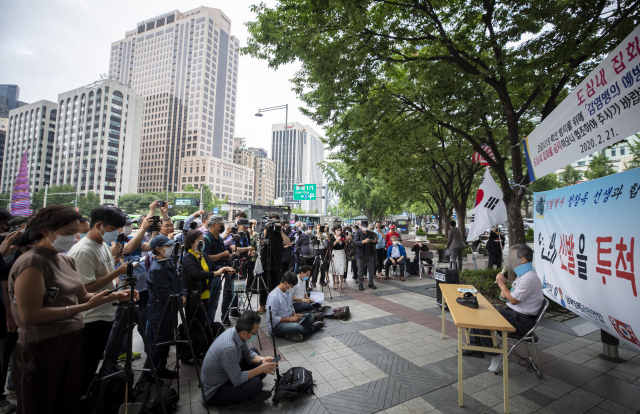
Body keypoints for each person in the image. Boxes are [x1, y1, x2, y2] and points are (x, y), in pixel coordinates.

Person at [8, 205, 133, 414]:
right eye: (69, 233)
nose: (75, 237)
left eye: (76, 232)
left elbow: (83, 294)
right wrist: (84, 307)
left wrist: (115, 295)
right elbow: (30, 315)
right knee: (42, 403)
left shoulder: (65, 259)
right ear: (47, 231)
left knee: (68, 400)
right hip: (42, 347)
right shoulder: (32, 261)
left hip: (70, 340)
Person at [67, 206, 133, 393]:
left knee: (93, 362)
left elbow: (107, 278)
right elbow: (85, 288)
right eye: (112, 230)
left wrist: (120, 287)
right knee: (84, 367)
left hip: (105, 312)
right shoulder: (83, 251)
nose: (114, 235)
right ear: (99, 225)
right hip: (90, 318)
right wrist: (118, 272)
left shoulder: (103, 246)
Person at [464, 245, 544, 373]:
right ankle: (477, 347)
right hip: (512, 314)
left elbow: (513, 299)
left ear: (523, 260)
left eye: (513, 257)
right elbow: (511, 295)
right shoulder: (523, 275)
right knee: (480, 313)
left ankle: (495, 354)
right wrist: (504, 293)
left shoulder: (529, 278)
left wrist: (502, 284)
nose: (510, 261)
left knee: (483, 320)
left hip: (522, 321)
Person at [104, 214, 154, 365]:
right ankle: (110, 361)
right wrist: (144, 227)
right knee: (121, 325)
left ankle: (150, 353)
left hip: (141, 288)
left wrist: (154, 230)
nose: (127, 227)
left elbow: (148, 246)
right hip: (125, 288)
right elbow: (129, 249)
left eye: (128, 225)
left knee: (143, 321)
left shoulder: (129, 238)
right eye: (123, 225)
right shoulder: (110, 242)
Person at [202, 311, 277, 406]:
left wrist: (263, 360)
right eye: (255, 333)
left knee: (256, 354)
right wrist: (261, 369)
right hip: (215, 392)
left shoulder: (236, 332)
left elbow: (248, 353)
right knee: (257, 384)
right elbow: (237, 379)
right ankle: (251, 392)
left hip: (229, 373)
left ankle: (252, 381)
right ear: (244, 332)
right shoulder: (228, 347)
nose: (256, 335)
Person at [144, 234, 185, 380]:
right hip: (160, 311)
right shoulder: (156, 269)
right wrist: (180, 300)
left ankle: (160, 369)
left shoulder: (168, 262)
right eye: (168, 246)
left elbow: (177, 283)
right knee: (158, 344)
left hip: (169, 309)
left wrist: (182, 295)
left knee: (166, 343)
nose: (171, 248)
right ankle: (147, 376)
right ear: (158, 249)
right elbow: (164, 294)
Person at [182, 229, 234, 317]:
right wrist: (215, 273)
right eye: (200, 241)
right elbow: (195, 273)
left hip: (206, 293)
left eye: (203, 240)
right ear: (191, 242)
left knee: (206, 315)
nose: (203, 243)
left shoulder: (203, 254)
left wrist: (224, 268)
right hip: (194, 295)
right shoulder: (188, 257)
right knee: (195, 320)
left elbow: (213, 266)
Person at [266, 272, 323, 342]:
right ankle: (312, 328)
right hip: (277, 326)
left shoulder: (288, 292)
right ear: (285, 283)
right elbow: (271, 318)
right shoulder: (274, 297)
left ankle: (291, 333)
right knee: (297, 327)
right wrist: (289, 319)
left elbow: (291, 306)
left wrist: (295, 314)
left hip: (290, 318)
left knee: (310, 316)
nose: (292, 288)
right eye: (291, 286)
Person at [202, 215, 232, 323]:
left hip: (218, 274)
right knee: (208, 304)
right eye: (221, 224)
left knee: (214, 304)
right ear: (214, 224)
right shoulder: (206, 238)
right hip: (209, 276)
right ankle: (205, 328)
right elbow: (206, 258)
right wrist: (222, 254)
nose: (223, 227)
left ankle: (210, 327)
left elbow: (222, 254)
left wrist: (228, 255)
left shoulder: (219, 238)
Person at [259, 213, 291, 313]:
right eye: (271, 221)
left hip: (277, 259)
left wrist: (280, 230)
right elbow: (261, 242)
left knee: (276, 280)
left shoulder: (281, 231)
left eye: (275, 221)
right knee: (263, 281)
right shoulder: (265, 229)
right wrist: (266, 229)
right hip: (266, 258)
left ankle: (274, 304)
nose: (273, 224)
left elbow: (287, 242)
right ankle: (262, 305)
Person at [354, 221, 377, 291]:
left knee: (371, 269)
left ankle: (371, 283)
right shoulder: (358, 233)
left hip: (370, 254)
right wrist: (363, 242)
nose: (365, 228)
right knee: (361, 269)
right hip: (361, 254)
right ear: (361, 226)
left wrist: (374, 241)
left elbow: (374, 241)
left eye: (366, 226)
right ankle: (360, 284)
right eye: (364, 226)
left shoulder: (370, 233)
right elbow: (355, 242)